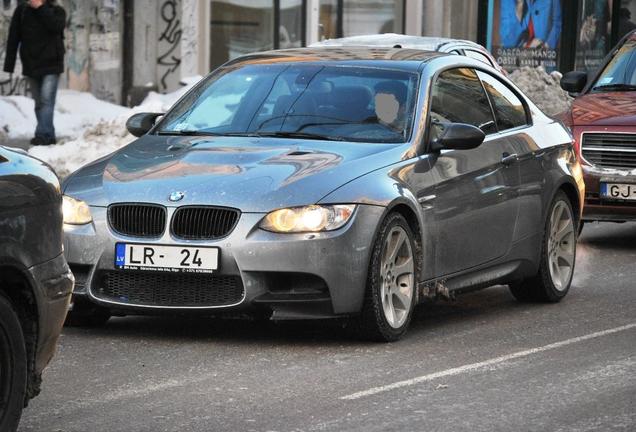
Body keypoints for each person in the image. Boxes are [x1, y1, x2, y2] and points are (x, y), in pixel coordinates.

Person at [3, 0, 66, 146]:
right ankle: (48, 134)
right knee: (38, 103)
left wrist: (41, 8)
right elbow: (14, 36)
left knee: (46, 101)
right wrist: (9, 65)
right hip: (31, 65)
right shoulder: (22, 12)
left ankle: (43, 136)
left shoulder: (56, 10)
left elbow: (56, 26)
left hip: (52, 65)